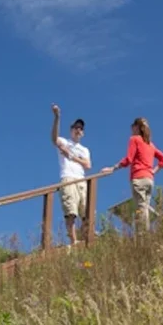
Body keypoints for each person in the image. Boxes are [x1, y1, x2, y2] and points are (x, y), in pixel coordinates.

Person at [104, 117, 163, 233]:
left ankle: (143, 236)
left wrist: (113, 168)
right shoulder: (150, 145)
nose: (131, 129)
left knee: (141, 208)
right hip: (149, 180)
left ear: (137, 127)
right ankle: (144, 234)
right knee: (145, 207)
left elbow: (128, 159)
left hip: (138, 178)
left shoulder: (134, 139)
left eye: (132, 127)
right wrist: (154, 171)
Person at [51, 104, 91, 248]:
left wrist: (72, 156)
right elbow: (54, 138)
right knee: (71, 211)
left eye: (80, 129)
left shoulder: (85, 149)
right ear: (71, 130)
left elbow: (87, 165)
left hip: (81, 180)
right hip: (68, 178)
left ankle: (87, 239)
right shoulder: (64, 141)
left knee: (85, 211)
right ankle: (73, 241)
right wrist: (57, 117)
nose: (78, 130)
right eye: (76, 128)